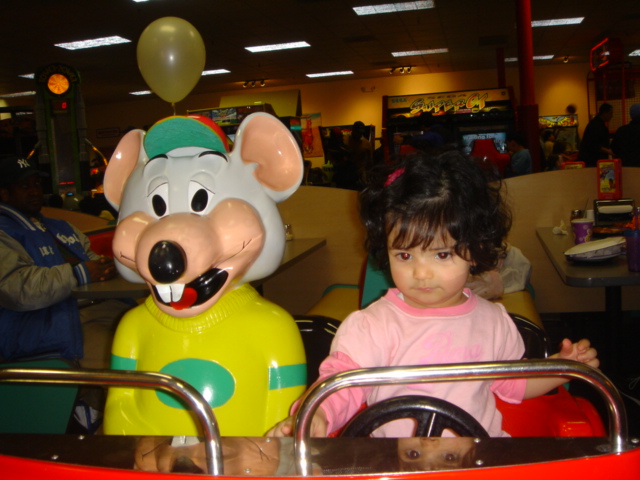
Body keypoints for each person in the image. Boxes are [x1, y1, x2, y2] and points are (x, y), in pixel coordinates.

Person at [268, 150, 598, 438]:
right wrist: (317, 415)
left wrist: (562, 367)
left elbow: (514, 384)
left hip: (476, 464)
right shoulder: (372, 326)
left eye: (441, 255)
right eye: (404, 255)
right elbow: (341, 386)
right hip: (393, 465)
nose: (421, 274)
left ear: (474, 249)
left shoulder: (493, 322)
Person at [0, 154, 129, 369]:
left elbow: (91, 261)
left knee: (155, 333)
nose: (34, 191)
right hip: (49, 327)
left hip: (99, 308)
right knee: (131, 361)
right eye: (24, 186)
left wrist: (106, 267)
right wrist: (80, 274)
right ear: (4, 193)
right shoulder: (5, 233)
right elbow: (17, 289)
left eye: (37, 184)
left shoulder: (61, 226)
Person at [578, 103, 613, 167]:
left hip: (590, 159)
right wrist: (608, 151)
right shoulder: (597, 125)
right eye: (610, 113)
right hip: (592, 160)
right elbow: (593, 144)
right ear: (604, 113)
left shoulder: (595, 123)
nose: (612, 115)